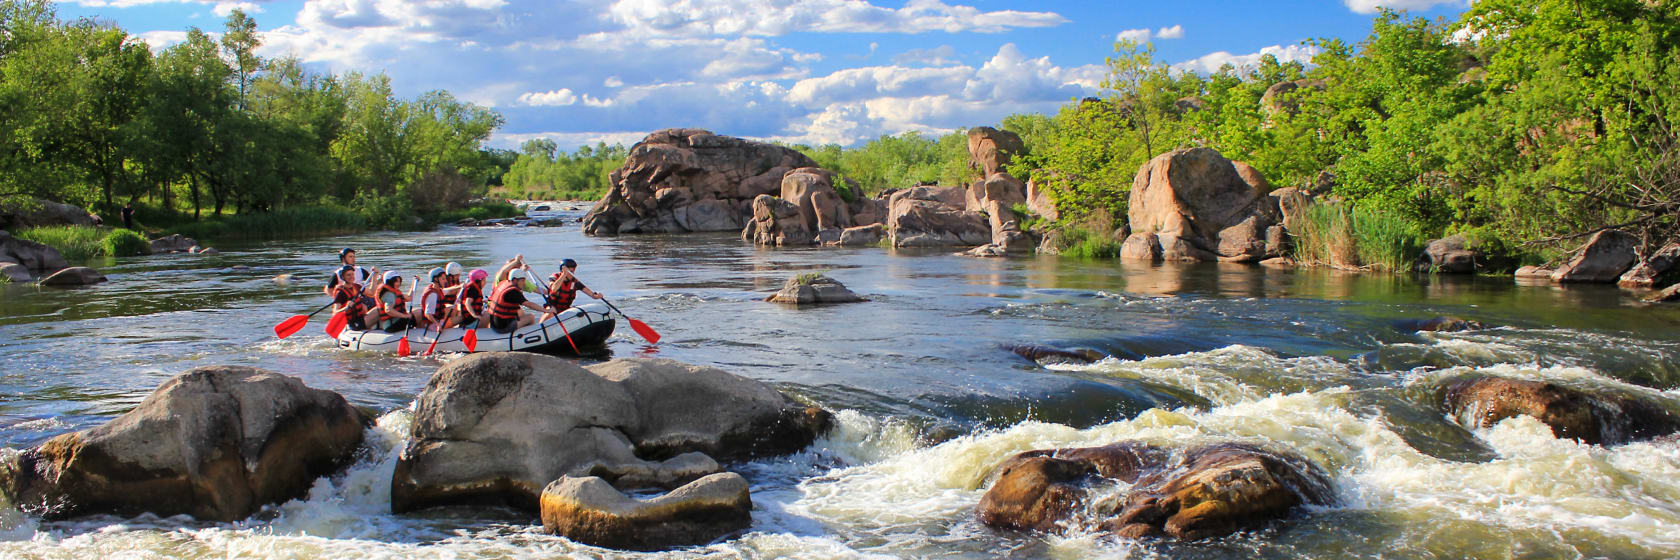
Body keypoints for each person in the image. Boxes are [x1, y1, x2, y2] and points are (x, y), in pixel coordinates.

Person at [538, 258, 604, 321]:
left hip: (566, 308)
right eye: (571, 272)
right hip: (552, 307)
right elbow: (553, 289)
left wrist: (597, 296)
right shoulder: (554, 277)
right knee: (551, 313)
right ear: (563, 270)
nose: (572, 274)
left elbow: (591, 294)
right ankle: (541, 326)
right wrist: (564, 275)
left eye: (573, 271)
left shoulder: (575, 282)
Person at [487, 263, 545, 334]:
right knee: (531, 317)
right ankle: (530, 334)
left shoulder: (503, 283)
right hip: (503, 327)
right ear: (515, 280)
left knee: (519, 312)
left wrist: (522, 271)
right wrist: (546, 310)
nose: (524, 283)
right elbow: (529, 304)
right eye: (523, 281)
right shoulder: (513, 291)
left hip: (493, 324)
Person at [329, 266, 372, 332]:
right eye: (348, 275)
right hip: (352, 323)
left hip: (360, 318)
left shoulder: (357, 287)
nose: (351, 277)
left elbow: (372, 293)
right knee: (377, 311)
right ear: (343, 277)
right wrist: (346, 307)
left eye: (352, 274)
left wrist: (375, 275)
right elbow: (335, 313)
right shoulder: (340, 293)